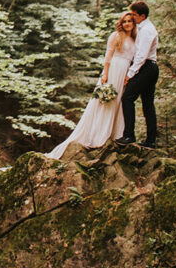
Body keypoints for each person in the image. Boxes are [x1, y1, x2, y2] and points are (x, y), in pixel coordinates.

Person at [46, 11, 138, 159]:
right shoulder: (116, 36)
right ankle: (99, 135)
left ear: (133, 23)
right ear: (121, 23)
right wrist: (105, 75)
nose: (127, 24)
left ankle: (117, 134)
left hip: (126, 73)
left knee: (120, 102)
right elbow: (108, 57)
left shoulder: (135, 38)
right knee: (108, 102)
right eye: (125, 21)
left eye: (130, 21)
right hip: (114, 70)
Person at [116, 0, 160, 148]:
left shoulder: (147, 30)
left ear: (142, 15)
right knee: (148, 104)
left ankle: (129, 135)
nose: (132, 17)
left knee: (127, 98)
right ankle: (151, 140)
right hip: (150, 67)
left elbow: (141, 55)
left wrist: (131, 73)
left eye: (134, 15)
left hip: (146, 67)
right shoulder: (144, 28)